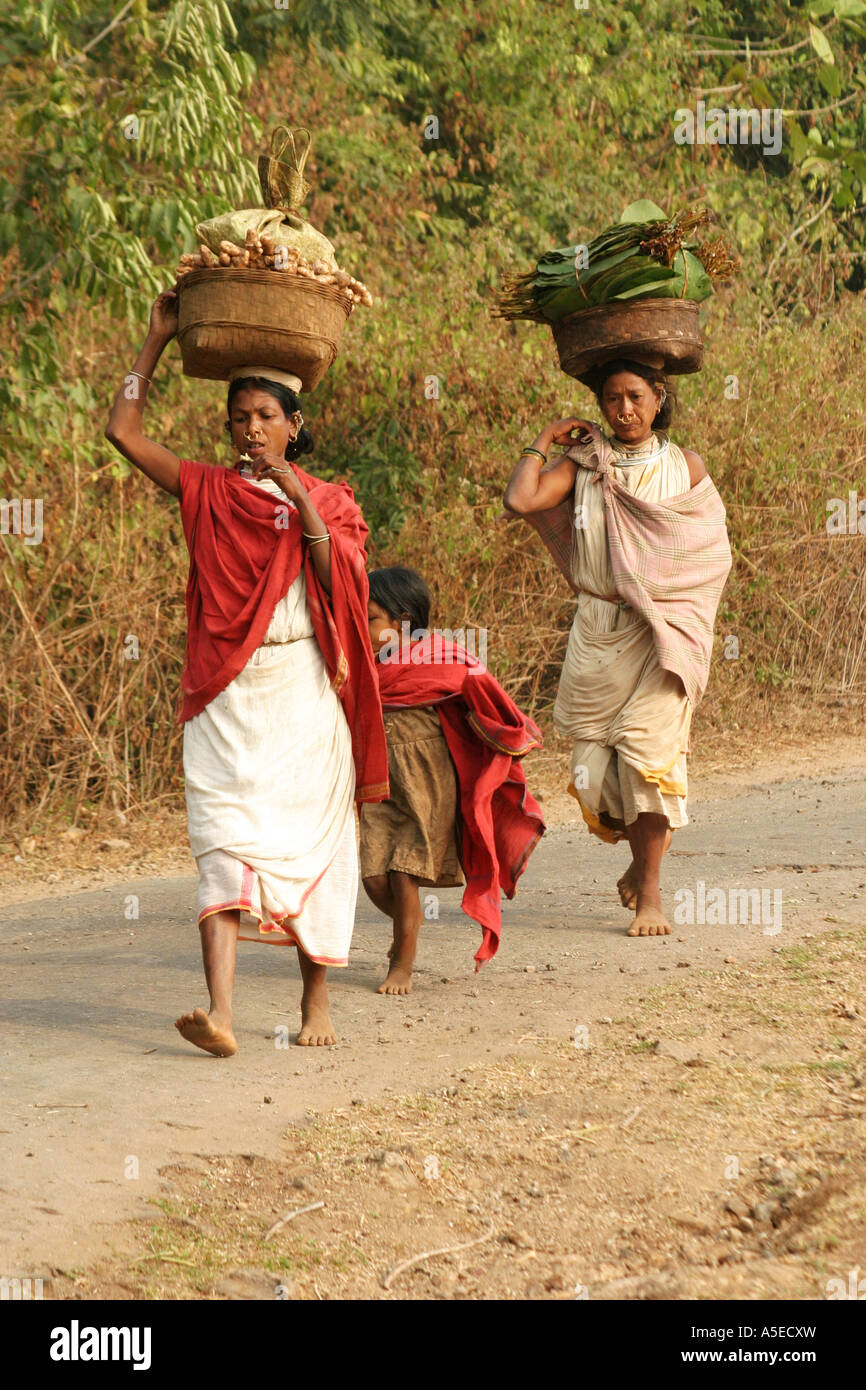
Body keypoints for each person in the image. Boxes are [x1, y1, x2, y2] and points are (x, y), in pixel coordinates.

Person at [105, 288, 387, 1056]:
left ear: (295, 427)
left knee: (317, 847)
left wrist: (302, 503)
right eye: (241, 418)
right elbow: (121, 430)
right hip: (225, 698)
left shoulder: (328, 501)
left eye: (267, 417)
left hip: (302, 696)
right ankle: (221, 1013)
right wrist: (156, 338)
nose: (253, 429)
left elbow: (346, 589)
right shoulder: (206, 489)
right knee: (223, 847)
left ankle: (316, 1003)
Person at [503, 358, 732, 937]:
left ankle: (651, 893)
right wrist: (545, 439)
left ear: (658, 398)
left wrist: (677, 614)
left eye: (635, 396)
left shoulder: (684, 467)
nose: (623, 410)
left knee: (649, 764)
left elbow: (711, 556)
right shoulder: (584, 464)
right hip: (597, 630)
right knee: (592, 773)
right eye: (611, 399)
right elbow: (521, 501)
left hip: (663, 634)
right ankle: (638, 861)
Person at [361, 565, 545, 994]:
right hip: (378, 783)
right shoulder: (365, 669)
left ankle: (402, 964)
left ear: (402, 622)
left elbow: (487, 699)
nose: (362, 627)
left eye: (370, 618)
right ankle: (409, 924)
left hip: (427, 784)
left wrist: (510, 736)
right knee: (372, 876)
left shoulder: (443, 659)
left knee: (403, 871)